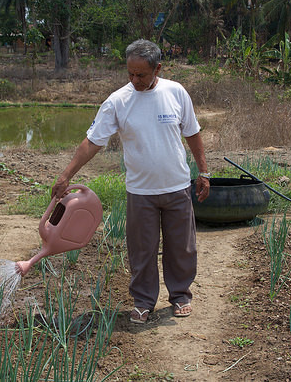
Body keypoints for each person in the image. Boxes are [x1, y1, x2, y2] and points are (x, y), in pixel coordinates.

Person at [51, 39, 210, 324]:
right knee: (141, 249)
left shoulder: (176, 92)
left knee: (182, 247)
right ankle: (143, 301)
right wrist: (66, 175)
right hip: (141, 191)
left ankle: (180, 296)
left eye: (141, 75)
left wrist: (204, 172)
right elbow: (92, 142)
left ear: (157, 68)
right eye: (130, 74)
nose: (135, 80)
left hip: (176, 186)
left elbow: (193, 133)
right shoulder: (117, 101)